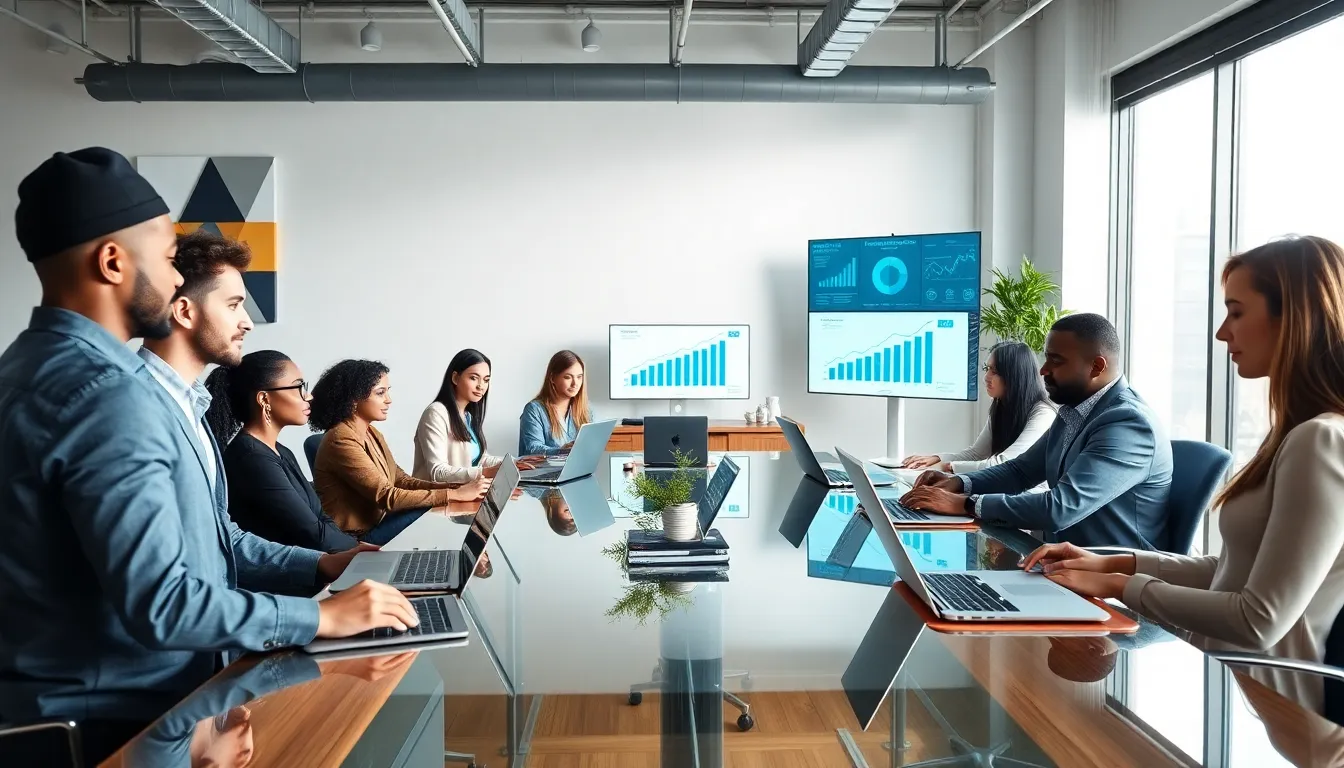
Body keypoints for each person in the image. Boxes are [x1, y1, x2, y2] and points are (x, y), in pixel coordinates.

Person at [0, 149, 415, 765]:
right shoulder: (110, 395)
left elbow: (212, 538)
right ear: (113, 262)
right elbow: (164, 604)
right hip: (114, 727)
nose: (173, 282)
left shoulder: (28, 368)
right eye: (168, 260)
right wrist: (322, 620)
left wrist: (322, 568)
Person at [1023, 236, 1344, 716]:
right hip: (1236, 683)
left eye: (1236, 312)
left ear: (1293, 319)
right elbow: (1230, 572)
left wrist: (1117, 587)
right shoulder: (1293, 434)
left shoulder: (1320, 441)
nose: (1221, 332)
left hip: (1281, 713)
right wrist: (1110, 563)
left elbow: (1259, 621)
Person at [901, 313, 1172, 550]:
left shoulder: (1127, 423)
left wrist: (965, 504)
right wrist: (961, 483)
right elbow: (1021, 470)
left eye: (1055, 361)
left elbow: (1060, 507)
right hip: (1062, 562)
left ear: (1096, 367)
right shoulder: (1075, 410)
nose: (1043, 370)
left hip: (1110, 583)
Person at [310, 359, 488, 545]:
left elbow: (402, 480)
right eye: (380, 393)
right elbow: (388, 496)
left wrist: (455, 489)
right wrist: (455, 495)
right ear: (354, 400)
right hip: (357, 539)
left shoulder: (371, 432)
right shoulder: (340, 439)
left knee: (441, 511)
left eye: (388, 391)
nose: (389, 400)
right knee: (431, 509)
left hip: (380, 522)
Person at [204, 349, 358, 554]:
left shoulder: (280, 451)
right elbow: (314, 536)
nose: (308, 396)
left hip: (317, 562)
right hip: (289, 577)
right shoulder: (251, 458)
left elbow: (321, 518)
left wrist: (357, 550)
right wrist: (361, 551)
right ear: (264, 399)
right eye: (298, 387)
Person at [901, 340, 1057, 473]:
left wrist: (946, 466)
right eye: (987, 369)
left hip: (1030, 499)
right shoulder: (1001, 405)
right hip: (1005, 494)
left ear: (1015, 376)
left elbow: (1004, 463)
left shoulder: (1043, 415)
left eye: (994, 371)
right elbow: (976, 454)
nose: (986, 377)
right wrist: (937, 458)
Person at [413, 348, 537, 483]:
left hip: (463, 496)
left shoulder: (467, 416)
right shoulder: (436, 413)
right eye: (473, 378)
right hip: (435, 501)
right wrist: (486, 473)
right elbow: (438, 472)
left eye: (486, 380)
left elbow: (481, 460)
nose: (481, 386)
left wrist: (517, 462)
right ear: (455, 378)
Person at [519, 350, 593, 456]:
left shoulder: (587, 409)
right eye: (568, 377)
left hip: (578, 470)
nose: (575, 384)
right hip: (541, 471)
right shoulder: (534, 410)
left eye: (579, 377)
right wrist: (562, 451)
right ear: (553, 378)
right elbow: (533, 448)